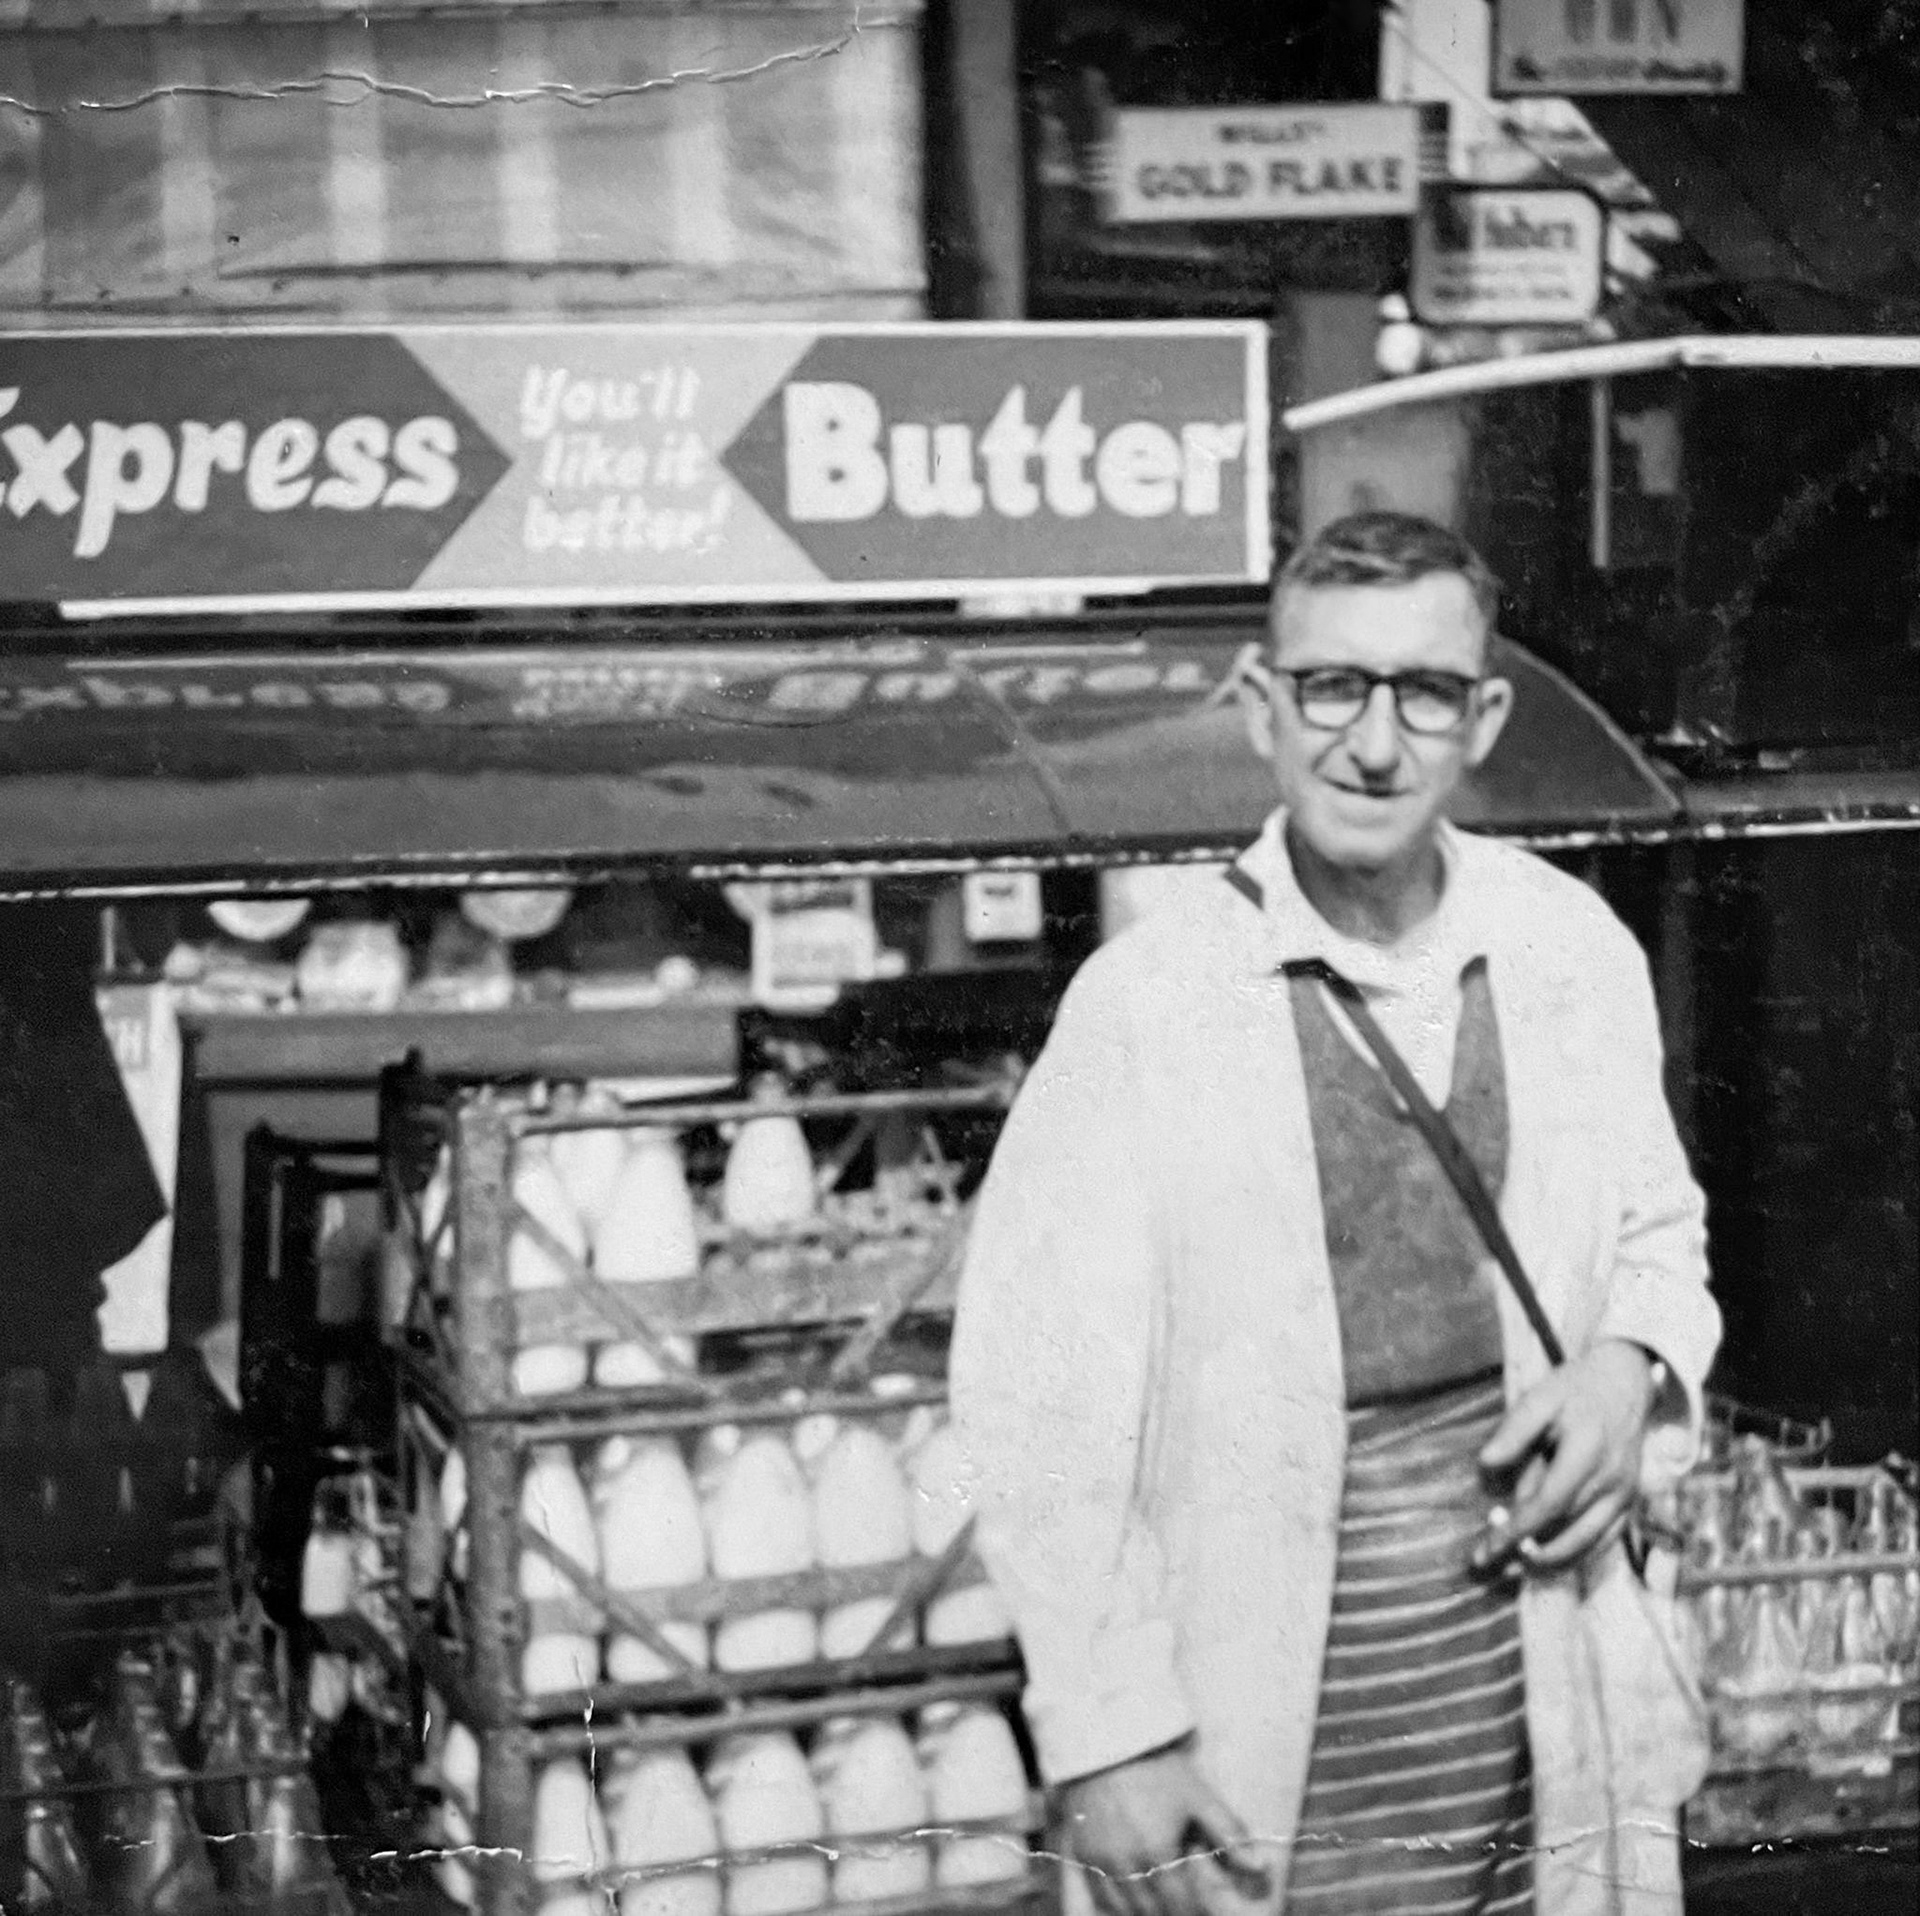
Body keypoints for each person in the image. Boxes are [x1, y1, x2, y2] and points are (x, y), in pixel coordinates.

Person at [948, 512, 1722, 1916]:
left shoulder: (1569, 951)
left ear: (1482, 717)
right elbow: (1033, 1400)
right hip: (1257, 1768)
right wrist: (1109, 1731)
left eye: (1425, 693)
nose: (1376, 745)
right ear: (1262, 705)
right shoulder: (1150, 1005)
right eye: (1333, 688)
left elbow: (1664, 1233)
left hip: (1536, 1742)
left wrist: (1630, 1369)